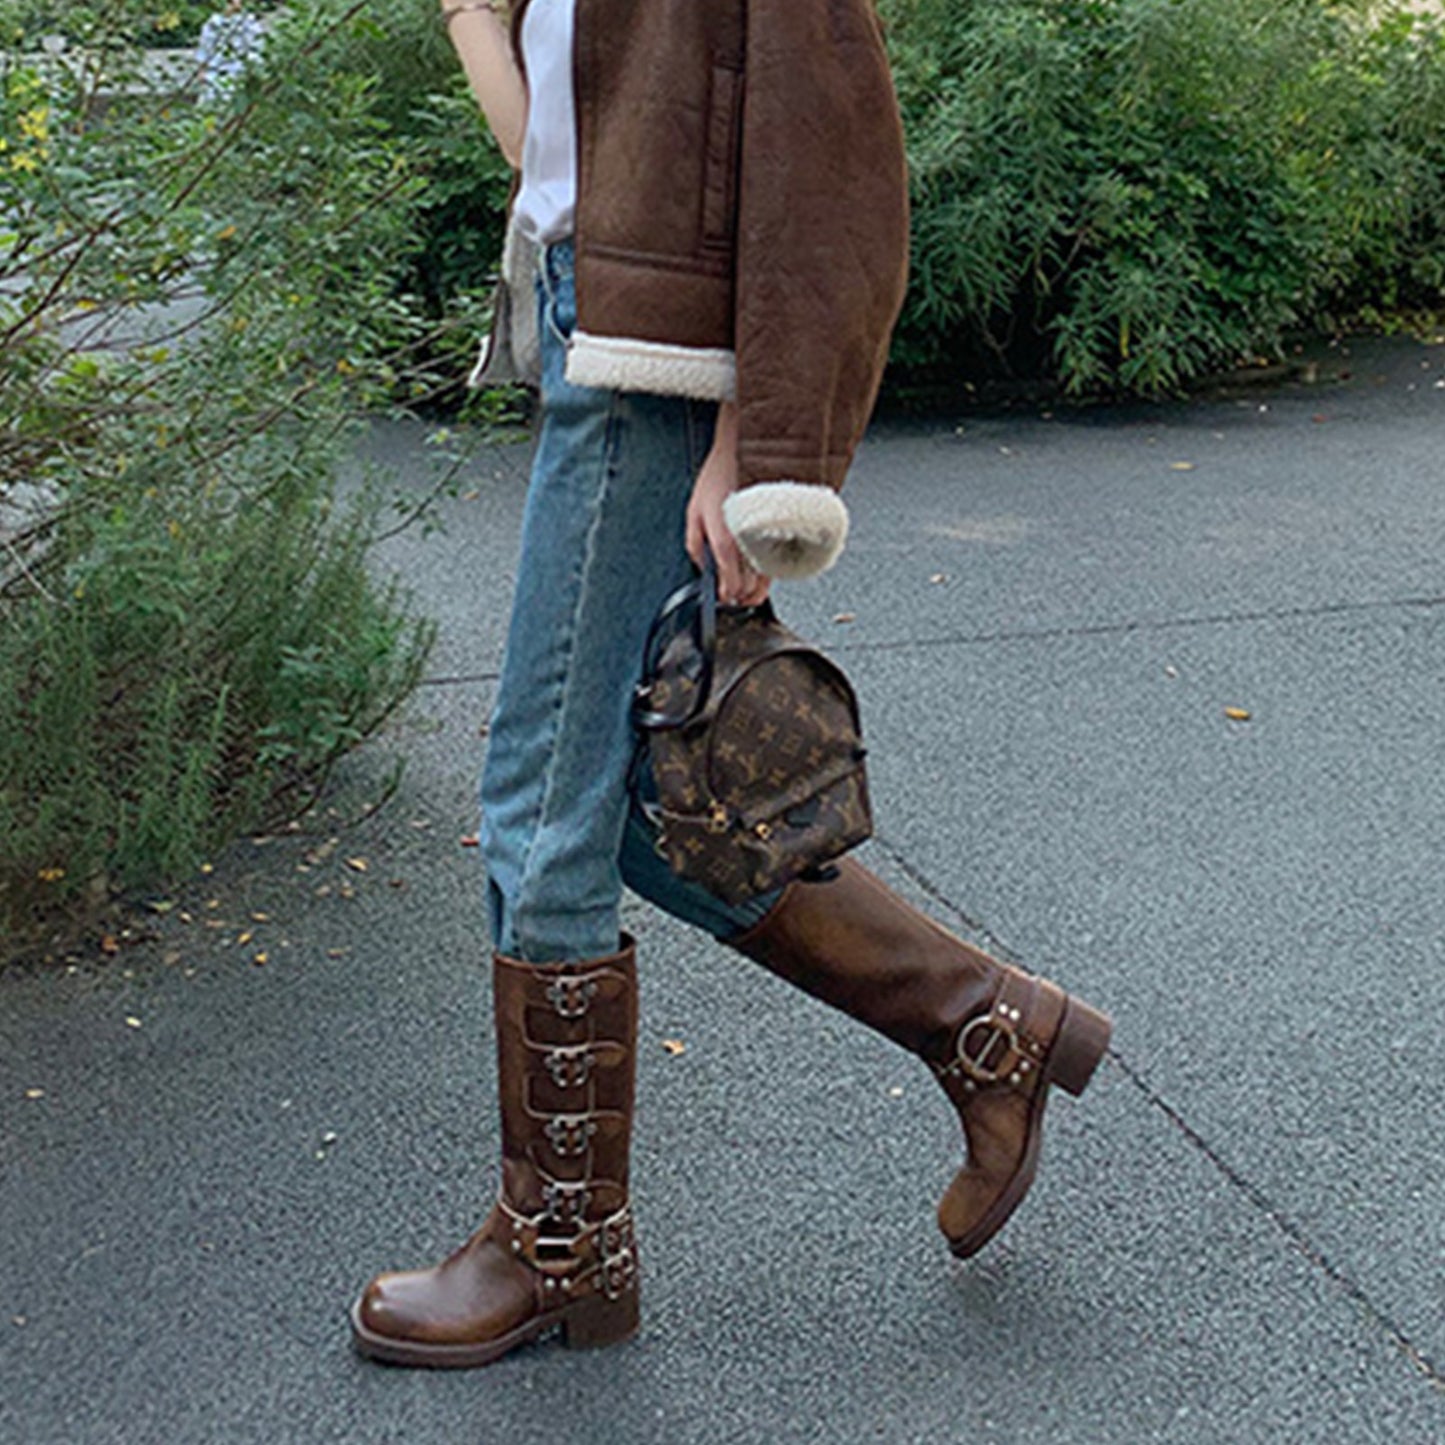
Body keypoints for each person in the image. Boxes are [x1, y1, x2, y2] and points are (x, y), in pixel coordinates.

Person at [350, 0, 1113, 1369]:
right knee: (613, 803)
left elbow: (836, 178)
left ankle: (562, 1246)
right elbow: (562, 186)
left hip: (660, 388)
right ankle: (980, 1023)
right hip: (600, 338)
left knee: (540, 800)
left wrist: (760, 453)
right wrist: (474, 17)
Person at [196, 0, 264, 104]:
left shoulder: (250, 24)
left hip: (238, 74)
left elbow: (256, 49)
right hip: (213, 74)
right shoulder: (213, 23)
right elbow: (205, 47)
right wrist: (201, 69)